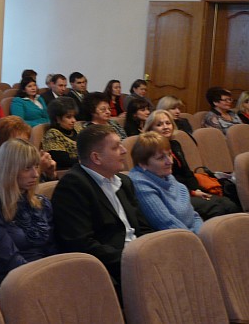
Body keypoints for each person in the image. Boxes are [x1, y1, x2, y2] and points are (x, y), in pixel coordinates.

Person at [51, 125, 154, 289]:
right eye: (116, 147)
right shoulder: (72, 187)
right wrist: (131, 261)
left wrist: (152, 252)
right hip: (109, 269)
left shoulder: (124, 182)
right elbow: (82, 245)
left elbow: (142, 227)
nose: (124, 151)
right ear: (96, 158)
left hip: (138, 258)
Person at [0, 138, 58, 282]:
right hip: (18, 280)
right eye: (27, 168)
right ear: (10, 170)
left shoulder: (42, 203)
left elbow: (54, 249)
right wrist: (46, 278)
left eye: (36, 166)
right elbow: (10, 259)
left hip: (49, 273)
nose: (36, 174)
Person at [145, 110, 240, 220]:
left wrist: (197, 190)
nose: (165, 127)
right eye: (159, 125)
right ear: (151, 129)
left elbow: (187, 172)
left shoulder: (175, 145)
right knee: (217, 208)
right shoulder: (151, 150)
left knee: (228, 203)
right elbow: (166, 181)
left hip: (190, 190)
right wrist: (192, 192)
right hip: (174, 195)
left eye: (168, 123)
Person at [129, 132, 203, 233]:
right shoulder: (140, 184)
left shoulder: (166, 176)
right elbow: (167, 224)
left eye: (169, 154)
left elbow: (194, 216)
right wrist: (198, 240)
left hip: (192, 235)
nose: (170, 162)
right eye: (161, 158)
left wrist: (202, 234)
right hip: (178, 239)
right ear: (142, 164)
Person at [0, 116, 56, 185]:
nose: (24, 146)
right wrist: (39, 168)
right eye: (19, 142)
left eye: (26, 141)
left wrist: (50, 174)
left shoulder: (29, 161)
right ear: (3, 143)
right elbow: (14, 189)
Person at [42, 97, 80, 170]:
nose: (74, 120)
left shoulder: (78, 129)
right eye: (69, 117)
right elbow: (63, 161)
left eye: (74, 116)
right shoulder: (52, 135)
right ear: (57, 119)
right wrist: (85, 161)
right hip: (69, 172)